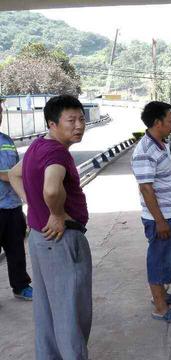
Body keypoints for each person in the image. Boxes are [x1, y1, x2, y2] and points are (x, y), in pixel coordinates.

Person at [9, 95, 92, 359]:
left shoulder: (38, 146)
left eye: (81, 119)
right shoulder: (56, 152)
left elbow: (13, 174)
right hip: (62, 239)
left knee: (47, 311)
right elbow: (52, 188)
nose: (79, 125)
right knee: (70, 313)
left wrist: (32, 204)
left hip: (38, 238)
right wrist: (55, 213)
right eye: (71, 120)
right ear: (53, 123)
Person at [131, 101, 171, 323]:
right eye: (170, 120)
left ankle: (162, 295)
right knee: (158, 261)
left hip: (169, 214)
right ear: (157, 122)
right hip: (160, 218)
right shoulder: (145, 150)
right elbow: (146, 188)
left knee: (166, 260)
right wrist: (160, 221)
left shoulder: (159, 144)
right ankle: (161, 308)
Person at [0, 98, 32, 301]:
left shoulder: (7, 140)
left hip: (12, 206)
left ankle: (21, 286)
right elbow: (10, 174)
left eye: (0, 110)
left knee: (16, 251)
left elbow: (18, 169)